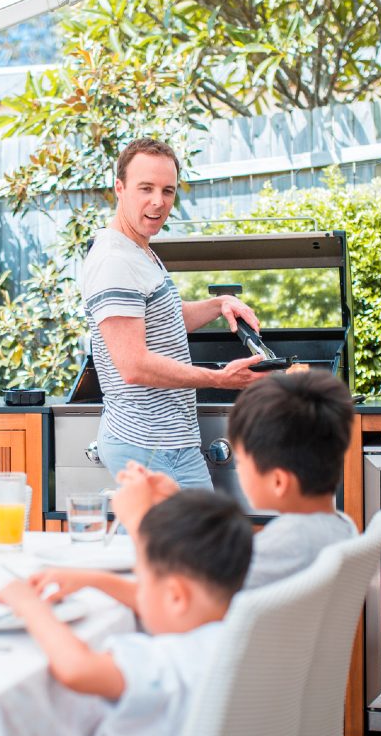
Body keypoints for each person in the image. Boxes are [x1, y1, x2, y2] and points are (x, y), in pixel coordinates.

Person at [0, 490, 253, 736]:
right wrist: (94, 580)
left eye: (142, 580)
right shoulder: (242, 637)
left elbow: (77, 669)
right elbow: (168, 602)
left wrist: (29, 606)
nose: (139, 592)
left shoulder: (162, 662)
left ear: (176, 597)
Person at [82, 137, 266, 490]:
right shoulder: (114, 261)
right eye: (146, 188)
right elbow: (133, 366)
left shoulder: (140, 250)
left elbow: (164, 319)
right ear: (119, 188)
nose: (158, 201)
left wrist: (218, 304)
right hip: (145, 445)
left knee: (199, 544)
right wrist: (217, 378)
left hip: (172, 442)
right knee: (178, 546)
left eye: (168, 190)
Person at [227, 368, 356, 588]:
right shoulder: (345, 526)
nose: (238, 470)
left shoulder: (274, 551)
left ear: (278, 482)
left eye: (240, 462)